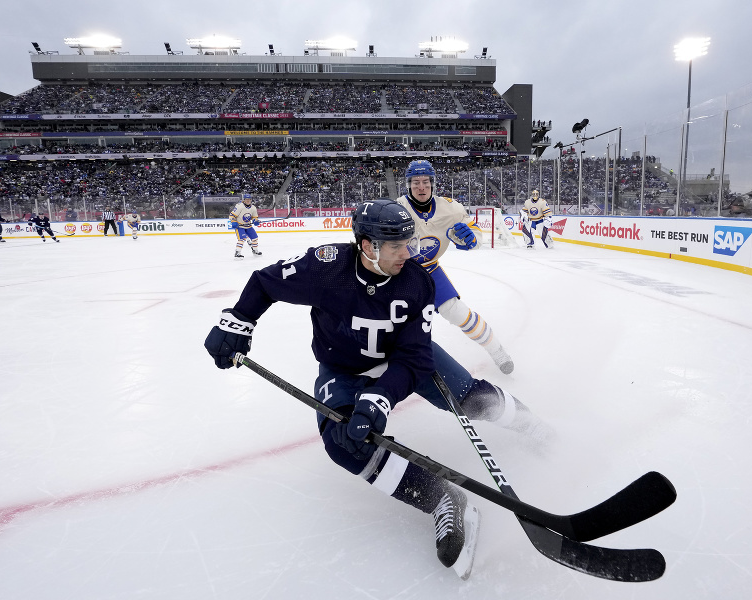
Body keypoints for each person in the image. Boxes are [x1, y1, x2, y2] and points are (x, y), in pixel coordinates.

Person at [204, 199, 549, 578]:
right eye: (398, 246)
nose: (409, 253)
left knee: (471, 398)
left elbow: (415, 357)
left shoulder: (417, 281)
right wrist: (237, 322)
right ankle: (442, 498)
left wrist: (381, 398)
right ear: (368, 246)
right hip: (344, 367)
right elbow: (264, 283)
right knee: (343, 442)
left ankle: (530, 425)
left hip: (404, 358)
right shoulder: (325, 267)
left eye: (410, 242)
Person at [396, 160, 514, 374]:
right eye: (415, 183)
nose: (421, 187)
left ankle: (497, 350)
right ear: (409, 185)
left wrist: (471, 240)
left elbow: (476, 235)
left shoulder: (450, 208)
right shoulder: (396, 209)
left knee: (459, 313)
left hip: (429, 270)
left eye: (425, 182)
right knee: (384, 321)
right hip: (398, 273)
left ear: (432, 184)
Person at [228, 195, 261, 259]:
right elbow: (232, 215)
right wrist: (233, 221)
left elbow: (254, 217)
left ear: (251, 200)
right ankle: (237, 252)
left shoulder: (253, 208)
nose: (248, 200)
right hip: (240, 226)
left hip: (248, 226)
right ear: (244, 200)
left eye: (249, 199)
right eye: (246, 199)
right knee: (242, 239)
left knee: (255, 238)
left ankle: (255, 250)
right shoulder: (240, 206)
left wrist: (255, 221)